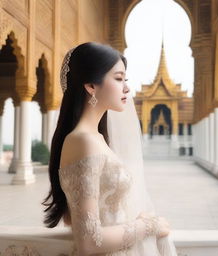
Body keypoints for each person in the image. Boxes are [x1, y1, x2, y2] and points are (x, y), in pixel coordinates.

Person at [42, 42, 177, 256]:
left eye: (126, 79)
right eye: (118, 78)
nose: (126, 88)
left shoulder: (97, 139)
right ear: (91, 86)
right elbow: (88, 241)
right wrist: (150, 226)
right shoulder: (82, 141)